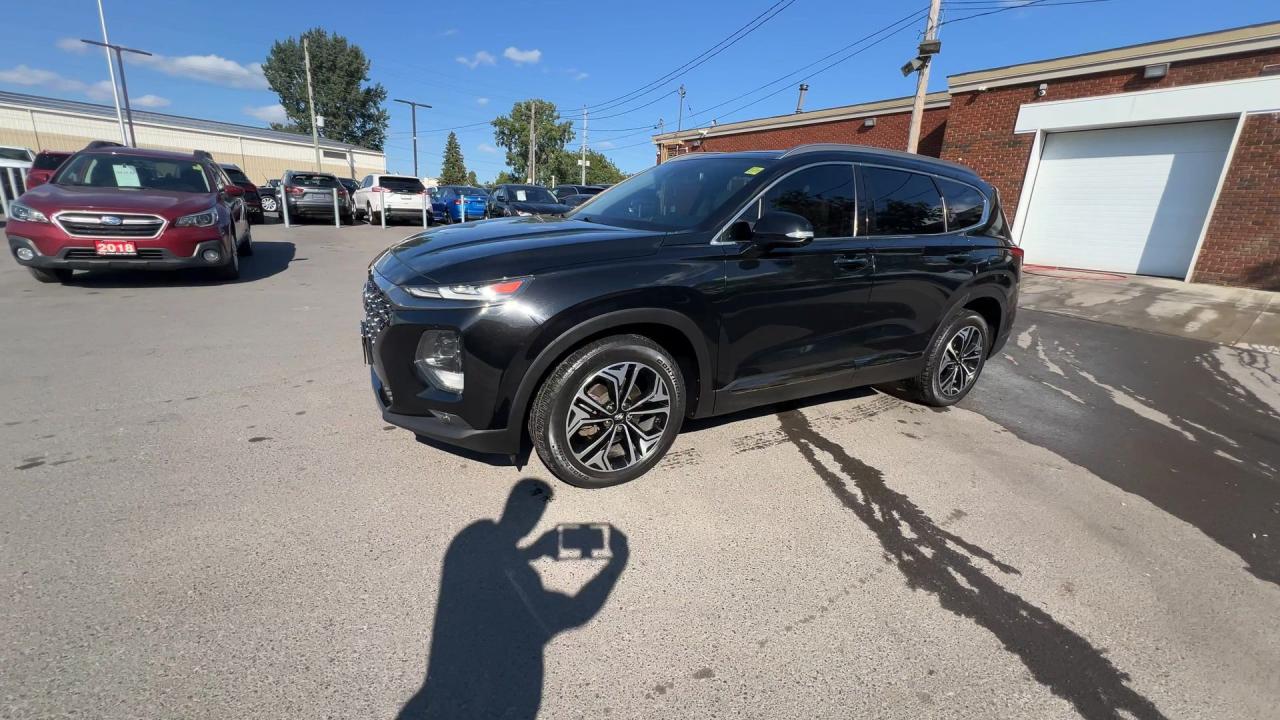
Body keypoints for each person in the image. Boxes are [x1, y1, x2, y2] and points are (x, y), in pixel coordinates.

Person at [397, 478, 629, 720]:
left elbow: (491, 567)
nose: (533, 519)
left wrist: (529, 553)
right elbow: (575, 612)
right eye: (535, 512)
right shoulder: (506, 565)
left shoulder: (475, 536)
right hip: (503, 696)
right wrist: (617, 562)